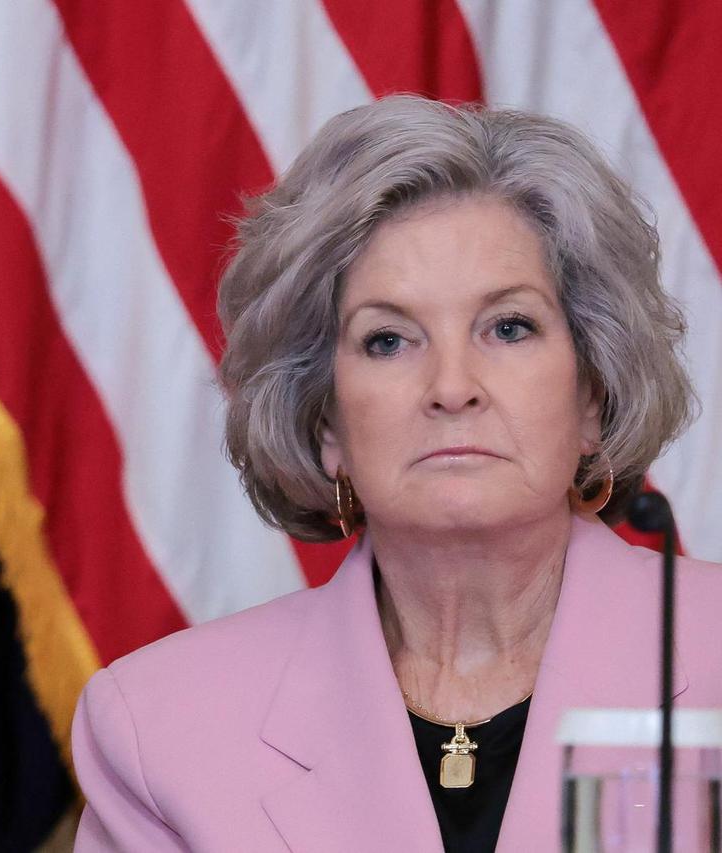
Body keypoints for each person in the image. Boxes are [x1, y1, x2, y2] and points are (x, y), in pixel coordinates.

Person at [71, 96, 722, 851]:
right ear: (326, 425)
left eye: (509, 327)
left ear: (591, 395)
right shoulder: (160, 725)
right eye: (388, 340)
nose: (452, 385)